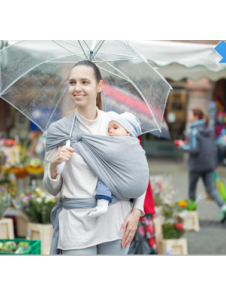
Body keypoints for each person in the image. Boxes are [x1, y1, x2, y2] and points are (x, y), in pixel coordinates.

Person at [43, 61, 145, 255]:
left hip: (116, 221)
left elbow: (137, 169)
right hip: (76, 224)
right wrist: (54, 166)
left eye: (84, 82)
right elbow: (51, 188)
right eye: (72, 82)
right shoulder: (59, 130)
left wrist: (136, 211)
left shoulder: (115, 124)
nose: (77, 88)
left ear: (99, 86)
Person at [179, 108, 226, 223]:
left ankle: (193, 216)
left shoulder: (194, 131)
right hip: (209, 164)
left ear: (196, 117)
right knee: (211, 189)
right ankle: (223, 207)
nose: (188, 117)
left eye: (190, 115)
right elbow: (213, 148)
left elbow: (194, 149)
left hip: (196, 165)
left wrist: (182, 145)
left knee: (192, 190)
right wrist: (214, 163)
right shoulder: (209, 129)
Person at [88, 112, 142, 218]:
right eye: (108, 130)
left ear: (128, 132)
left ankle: (102, 204)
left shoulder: (127, 146)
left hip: (121, 177)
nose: (110, 131)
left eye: (115, 128)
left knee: (104, 180)